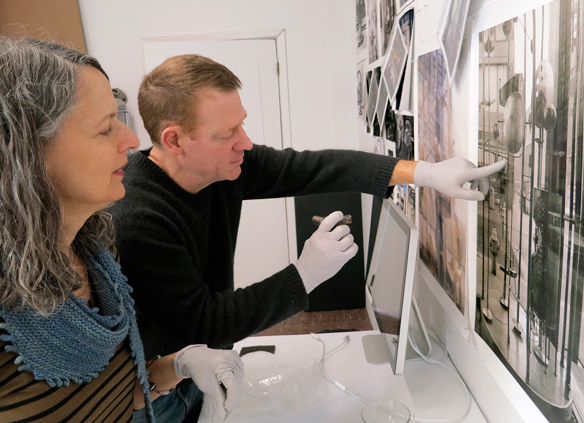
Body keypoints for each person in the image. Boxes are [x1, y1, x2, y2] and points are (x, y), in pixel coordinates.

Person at [108, 53, 506, 363]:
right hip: (166, 389)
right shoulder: (136, 217)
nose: (245, 143)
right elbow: (207, 322)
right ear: (174, 140)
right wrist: (305, 274)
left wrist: (424, 173)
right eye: (227, 133)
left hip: (211, 359)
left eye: (241, 124)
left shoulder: (226, 166)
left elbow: (313, 168)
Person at [0, 38, 243, 423]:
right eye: (104, 129)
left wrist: (177, 365)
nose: (131, 141)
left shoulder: (98, 254)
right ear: (25, 154)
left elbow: (115, 396)